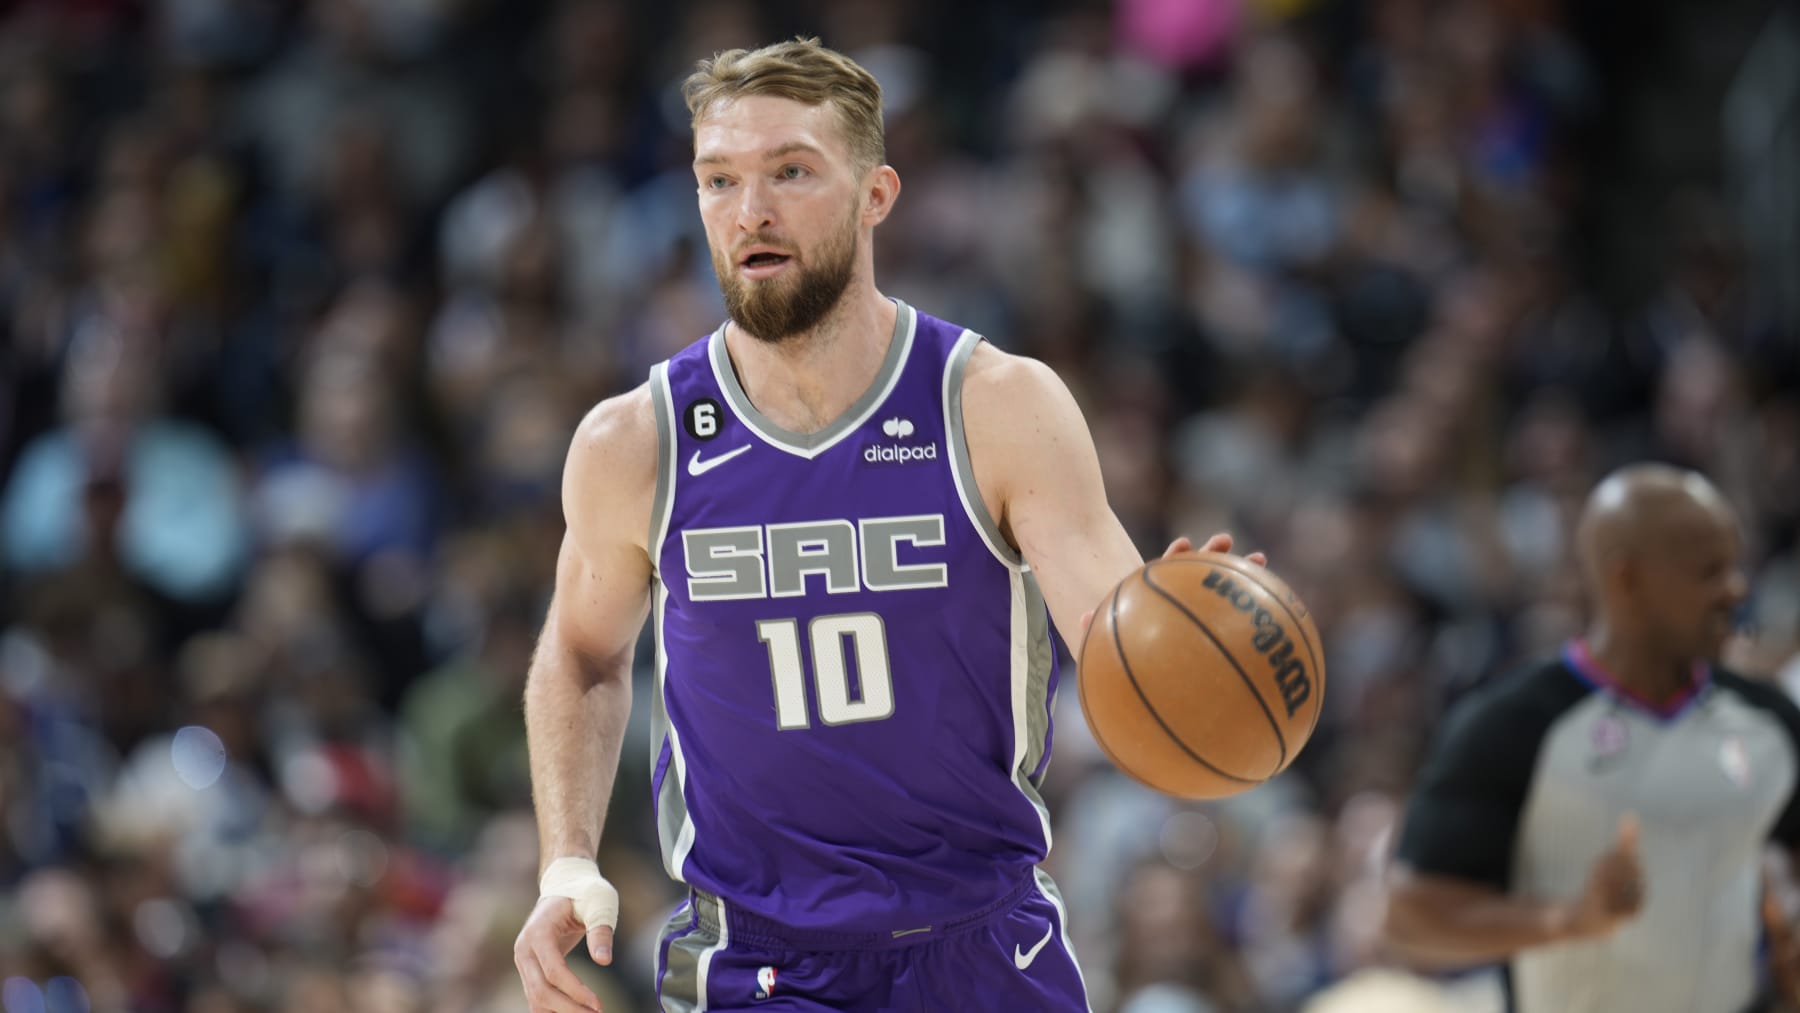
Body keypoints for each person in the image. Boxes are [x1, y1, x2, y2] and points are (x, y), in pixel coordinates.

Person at [510, 37, 1261, 1013]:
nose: (751, 210)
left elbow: (1118, 654)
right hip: (758, 957)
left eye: (791, 171)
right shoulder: (635, 442)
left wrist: (1186, 646)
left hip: (980, 936)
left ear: (877, 195)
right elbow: (581, 652)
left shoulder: (994, 405)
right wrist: (567, 859)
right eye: (720, 179)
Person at [1383, 463, 1800, 1013]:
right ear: (1626, 580)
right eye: (1709, 572)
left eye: (1735, 567)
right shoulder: (1514, 725)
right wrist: (1570, 919)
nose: (1736, 589)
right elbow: (1411, 919)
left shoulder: (1768, 720)